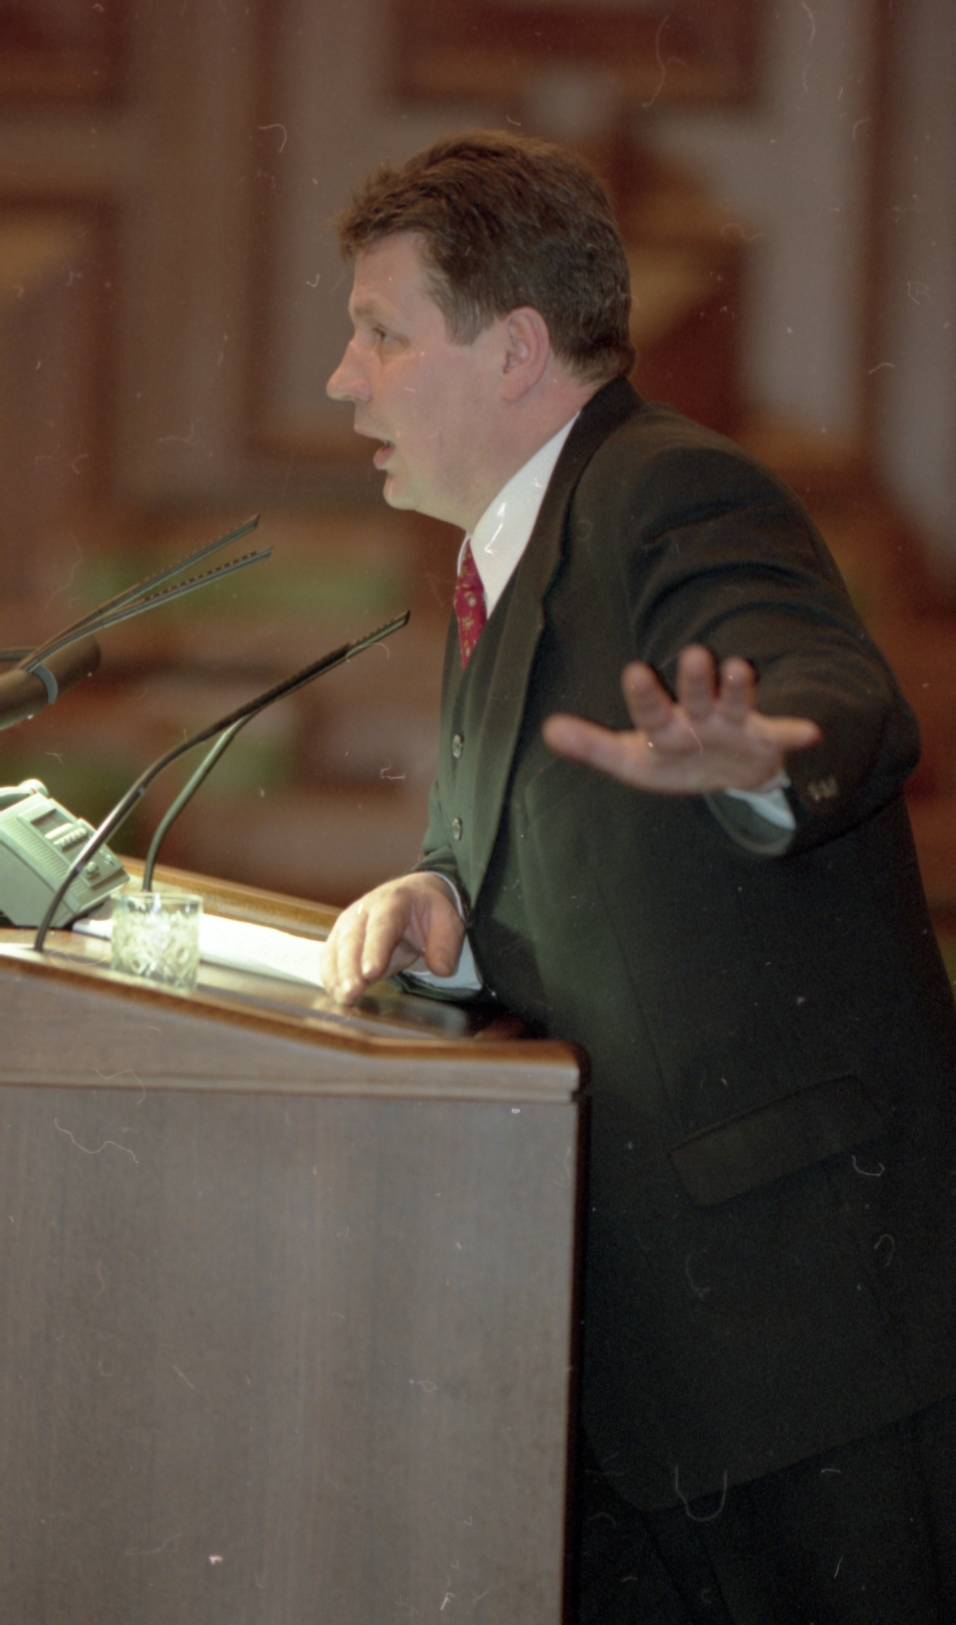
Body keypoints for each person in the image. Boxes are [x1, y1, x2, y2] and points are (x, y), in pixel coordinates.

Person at [322, 130, 956, 1622]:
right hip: (660, 1346)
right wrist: (445, 903)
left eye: (380, 334)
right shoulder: (509, 547)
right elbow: (538, 839)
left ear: (515, 348)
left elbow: (826, 688)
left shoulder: (670, 489)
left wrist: (761, 753)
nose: (344, 381)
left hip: (800, 1341)